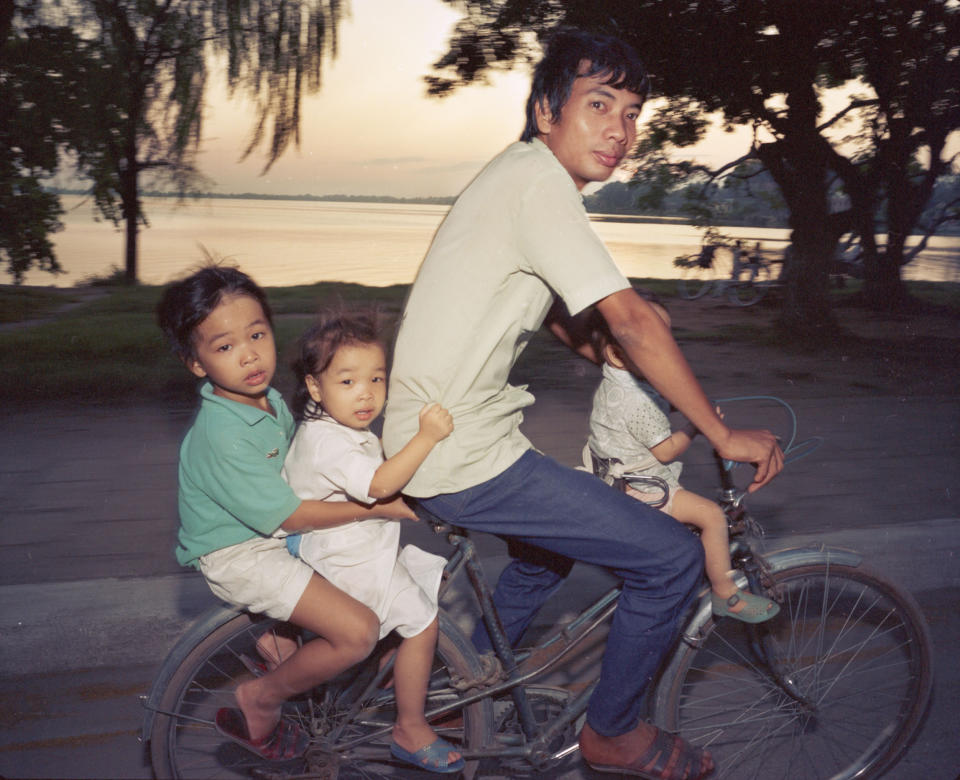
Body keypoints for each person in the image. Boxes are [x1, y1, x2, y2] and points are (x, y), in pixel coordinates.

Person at [383, 28, 783, 779]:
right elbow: (625, 318)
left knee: (547, 553)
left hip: (454, 437)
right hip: (459, 448)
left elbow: (579, 323)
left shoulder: (522, 178)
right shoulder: (539, 184)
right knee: (669, 558)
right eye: (599, 104)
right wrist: (719, 432)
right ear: (545, 111)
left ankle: (454, 690)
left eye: (632, 112)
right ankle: (614, 733)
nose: (620, 130)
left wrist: (632, 366)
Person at [157, 265, 417, 762]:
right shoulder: (223, 433)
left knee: (374, 589)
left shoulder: (266, 400)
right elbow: (291, 515)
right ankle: (260, 698)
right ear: (195, 363)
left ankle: (287, 660)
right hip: (241, 554)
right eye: (224, 346)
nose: (250, 354)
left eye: (256, 334)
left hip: (272, 538)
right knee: (358, 630)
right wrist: (373, 508)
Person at [279, 310, 464, 773]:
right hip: (343, 558)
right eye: (347, 381)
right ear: (316, 387)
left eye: (376, 379)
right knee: (416, 621)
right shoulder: (328, 442)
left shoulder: (340, 427)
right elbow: (381, 485)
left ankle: (399, 694)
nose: (366, 393)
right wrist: (427, 436)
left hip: (356, 547)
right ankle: (408, 723)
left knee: (419, 618)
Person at [586, 298, 779, 623]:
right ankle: (724, 593)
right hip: (639, 489)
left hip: (611, 476)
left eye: (667, 336)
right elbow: (665, 451)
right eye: (652, 340)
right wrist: (696, 426)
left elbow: (657, 403)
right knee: (712, 516)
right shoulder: (636, 402)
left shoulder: (617, 381)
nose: (664, 348)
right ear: (617, 353)